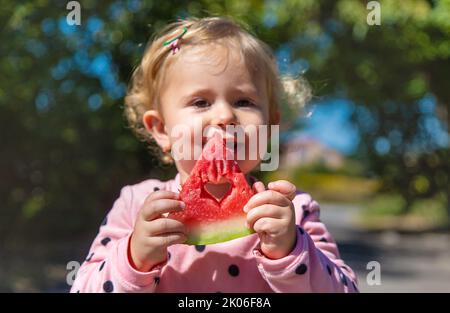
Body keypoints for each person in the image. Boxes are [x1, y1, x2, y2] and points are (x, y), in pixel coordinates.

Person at [71, 17, 358, 293]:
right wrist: (134, 257)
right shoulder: (136, 206)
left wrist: (292, 250)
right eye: (200, 102)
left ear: (269, 127)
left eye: (243, 101)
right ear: (161, 129)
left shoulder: (294, 211)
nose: (224, 116)